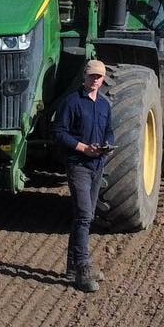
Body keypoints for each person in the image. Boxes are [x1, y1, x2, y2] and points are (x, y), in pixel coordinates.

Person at [54, 59, 114, 293]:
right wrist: (82, 148)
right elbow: (59, 133)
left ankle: (72, 267)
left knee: (83, 216)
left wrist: (107, 146)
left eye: (99, 77)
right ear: (85, 77)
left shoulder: (104, 105)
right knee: (84, 216)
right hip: (78, 164)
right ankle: (84, 268)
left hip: (97, 164)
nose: (96, 80)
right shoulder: (71, 103)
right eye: (92, 76)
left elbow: (109, 130)